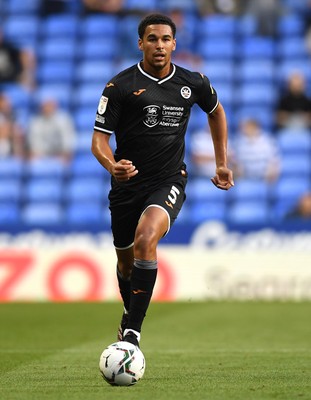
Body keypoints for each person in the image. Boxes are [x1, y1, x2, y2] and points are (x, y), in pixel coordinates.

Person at [91, 13, 234, 347]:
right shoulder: (120, 86)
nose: (159, 45)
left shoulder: (193, 83)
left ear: (174, 43)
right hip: (126, 187)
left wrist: (222, 163)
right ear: (140, 43)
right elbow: (98, 142)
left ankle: (132, 334)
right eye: (152, 39)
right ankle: (131, 316)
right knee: (126, 265)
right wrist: (113, 166)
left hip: (168, 180)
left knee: (145, 240)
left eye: (166, 39)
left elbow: (216, 111)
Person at [27, 96, 76, 163]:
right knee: (33, 161)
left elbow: (68, 143)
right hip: (42, 155)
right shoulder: (35, 122)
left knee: (66, 159)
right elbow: (34, 145)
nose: (47, 108)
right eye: (45, 105)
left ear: (55, 106)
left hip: (60, 154)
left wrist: (62, 155)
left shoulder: (64, 120)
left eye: (49, 105)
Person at [233, 117, 280, 182]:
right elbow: (235, 162)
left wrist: (271, 172)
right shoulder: (238, 142)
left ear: (255, 127)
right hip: (244, 177)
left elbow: (274, 161)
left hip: (265, 177)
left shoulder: (268, 141)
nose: (244, 129)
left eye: (248, 127)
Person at [0, 92, 25, 158]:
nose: (7, 104)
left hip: (12, 145)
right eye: (4, 102)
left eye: (8, 102)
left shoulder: (14, 115)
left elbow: (19, 133)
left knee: (18, 143)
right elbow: (2, 134)